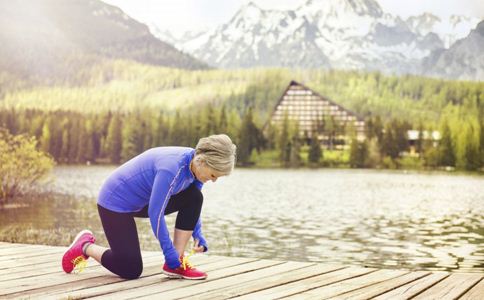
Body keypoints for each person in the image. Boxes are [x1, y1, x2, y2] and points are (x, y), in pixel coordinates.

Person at [61, 134, 236, 280]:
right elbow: (156, 214)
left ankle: (176, 264)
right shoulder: (172, 169)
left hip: (142, 201)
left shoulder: (195, 167)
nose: (213, 180)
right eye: (214, 175)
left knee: (194, 196)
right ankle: (85, 246)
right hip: (115, 202)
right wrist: (168, 253)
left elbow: (192, 200)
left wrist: (198, 234)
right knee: (130, 269)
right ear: (203, 161)